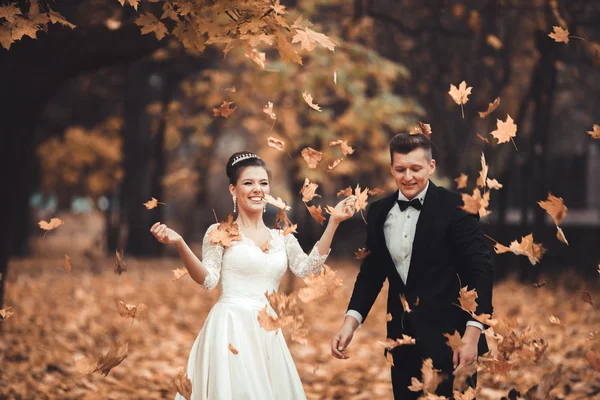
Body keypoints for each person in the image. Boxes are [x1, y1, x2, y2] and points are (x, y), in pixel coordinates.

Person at [151, 151, 356, 400]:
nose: (257, 189)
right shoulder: (220, 232)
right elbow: (208, 280)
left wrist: (333, 222)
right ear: (233, 189)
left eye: (263, 183)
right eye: (248, 183)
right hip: (229, 328)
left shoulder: (283, 238)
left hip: (266, 331)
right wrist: (181, 244)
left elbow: (307, 268)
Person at [331, 133, 493, 399]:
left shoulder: (457, 207)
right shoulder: (378, 212)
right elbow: (372, 274)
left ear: (430, 167)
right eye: (400, 169)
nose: (408, 177)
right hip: (401, 341)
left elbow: (480, 271)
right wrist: (350, 324)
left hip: (452, 341)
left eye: (415, 169)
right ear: (391, 169)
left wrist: (472, 335)